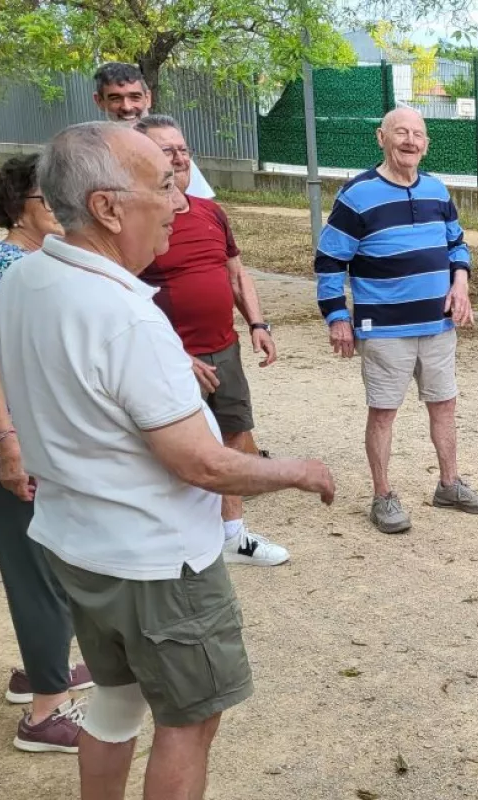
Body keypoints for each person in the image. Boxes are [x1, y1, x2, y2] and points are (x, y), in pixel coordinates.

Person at [0, 121, 334, 799]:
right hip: (156, 564)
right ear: (107, 207)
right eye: (165, 186)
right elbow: (202, 464)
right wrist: (298, 469)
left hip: (80, 546)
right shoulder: (125, 316)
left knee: (116, 704)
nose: (180, 203)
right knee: (191, 719)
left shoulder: (25, 280)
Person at [0, 154, 93, 753]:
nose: (61, 209)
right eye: (50, 199)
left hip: (29, 435)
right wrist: (7, 447)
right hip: (3, 439)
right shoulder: (4, 265)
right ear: (20, 206)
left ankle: (40, 669)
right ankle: (45, 713)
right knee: (36, 567)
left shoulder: (38, 261)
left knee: (49, 558)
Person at [314, 106, 478, 534]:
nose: (411, 141)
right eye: (401, 133)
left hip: (438, 324)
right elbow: (328, 261)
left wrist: (461, 285)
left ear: (426, 143)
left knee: (444, 405)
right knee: (383, 412)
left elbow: (457, 246)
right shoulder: (356, 195)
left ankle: (449, 485)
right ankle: (382, 496)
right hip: (384, 330)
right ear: (381, 137)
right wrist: (337, 317)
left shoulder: (436, 190)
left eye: (418, 134)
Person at [135, 114, 289, 567]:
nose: (180, 157)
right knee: (170, 448)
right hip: (171, 358)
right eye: (167, 151)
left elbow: (235, 275)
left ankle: (233, 536)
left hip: (224, 348)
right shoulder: (138, 222)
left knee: (234, 435)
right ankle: (173, 539)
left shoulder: (209, 211)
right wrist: (175, 355)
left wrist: (259, 325)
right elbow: (121, 296)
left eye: (182, 149)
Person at [93, 62, 214, 199]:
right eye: (115, 98)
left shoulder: (175, 153)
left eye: (135, 97)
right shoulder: (93, 159)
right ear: (99, 101)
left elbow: (203, 207)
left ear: (148, 98)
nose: (127, 107)